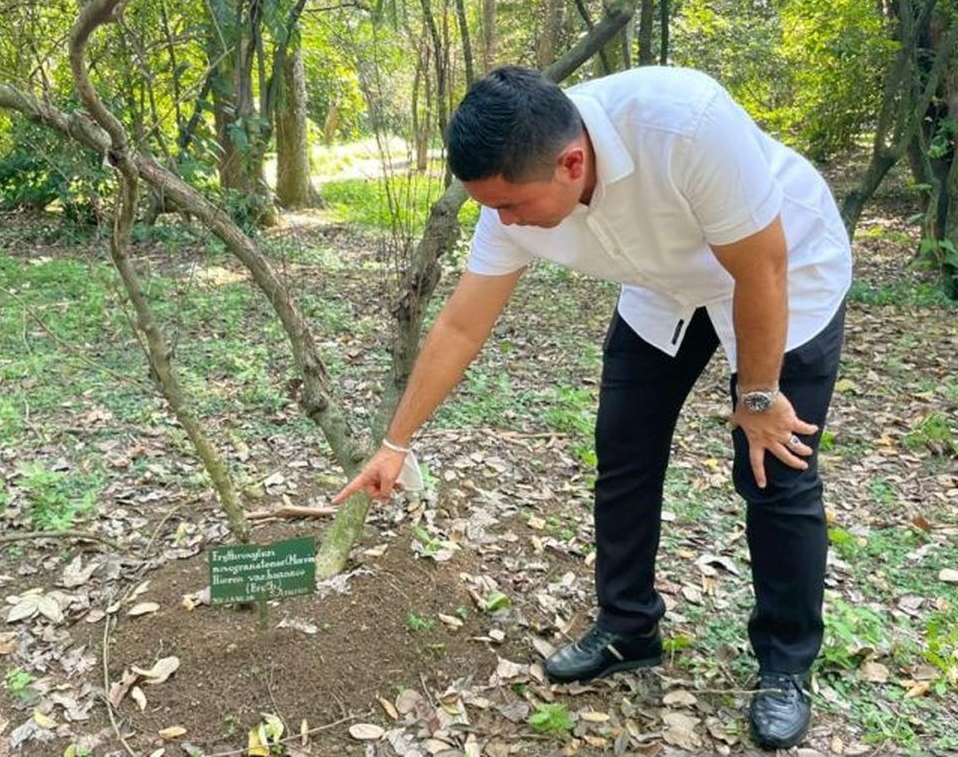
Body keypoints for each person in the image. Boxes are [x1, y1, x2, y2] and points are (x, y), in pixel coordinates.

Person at [332, 65, 851, 750]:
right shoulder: (511, 196)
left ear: (572, 162)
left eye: (513, 207)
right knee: (624, 452)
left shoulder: (684, 123)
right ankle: (628, 625)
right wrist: (396, 443)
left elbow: (762, 268)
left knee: (772, 469)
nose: (503, 223)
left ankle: (786, 667)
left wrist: (756, 396)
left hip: (782, 270)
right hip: (662, 288)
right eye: (491, 208)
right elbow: (461, 325)